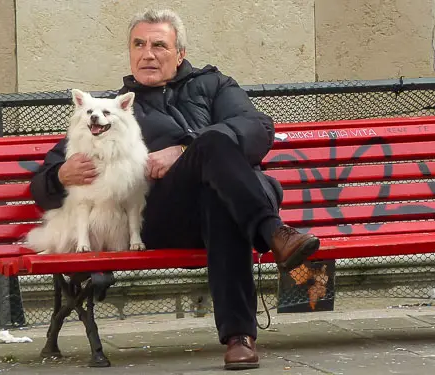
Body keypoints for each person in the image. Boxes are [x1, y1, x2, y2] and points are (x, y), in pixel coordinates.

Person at [30, 8, 320, 371]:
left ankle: (239, 338)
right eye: (138, 44)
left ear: (180, 53)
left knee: (215, 167)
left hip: (232, 203)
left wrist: (184, 150)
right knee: (211, 147)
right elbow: (43, 182)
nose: (147, 53)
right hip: (169, 215)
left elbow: (257, 128)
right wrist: (61, 175)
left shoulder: (214, 85)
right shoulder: (114, 112)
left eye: (158, 45)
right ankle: (272, 233)